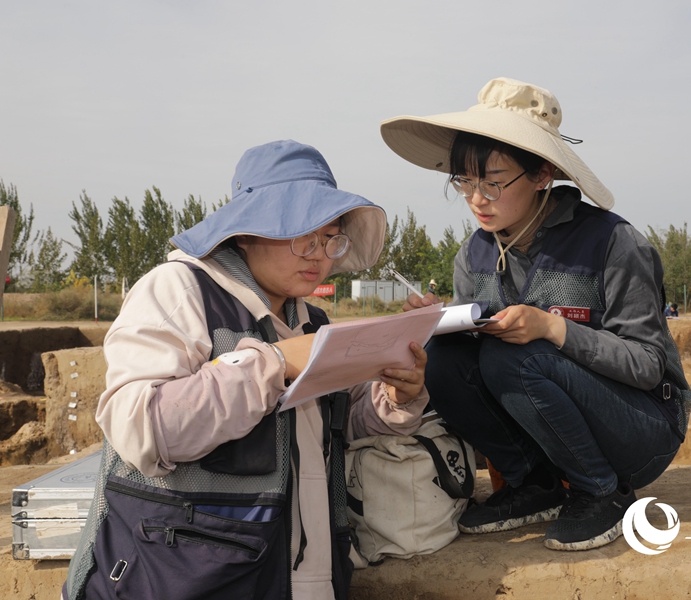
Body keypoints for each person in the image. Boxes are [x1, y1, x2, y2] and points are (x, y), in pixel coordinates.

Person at [63, 141, 430, 600]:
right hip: (188, 577)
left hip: (305, 577)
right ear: (247, 231)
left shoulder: (311, 321)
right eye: (303, 237)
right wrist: (275, 362)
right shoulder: (179, 290)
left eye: (331, 238)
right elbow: (142, 427)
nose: (320, 255)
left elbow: (332, 425)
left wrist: (396, 396)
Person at [381, 78, 691, 551]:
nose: (475, 198)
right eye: (464, 181)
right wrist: (435, 321)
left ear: (542, 174)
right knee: (443, 353)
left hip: (639, 428)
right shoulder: (473, 256)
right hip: (547, 433)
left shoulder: (612, 243)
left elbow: (647, 365)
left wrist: (554, 328)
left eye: (492, 182)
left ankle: (600, 491)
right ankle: (534, 482)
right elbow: (469, 366)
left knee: (519, 356)